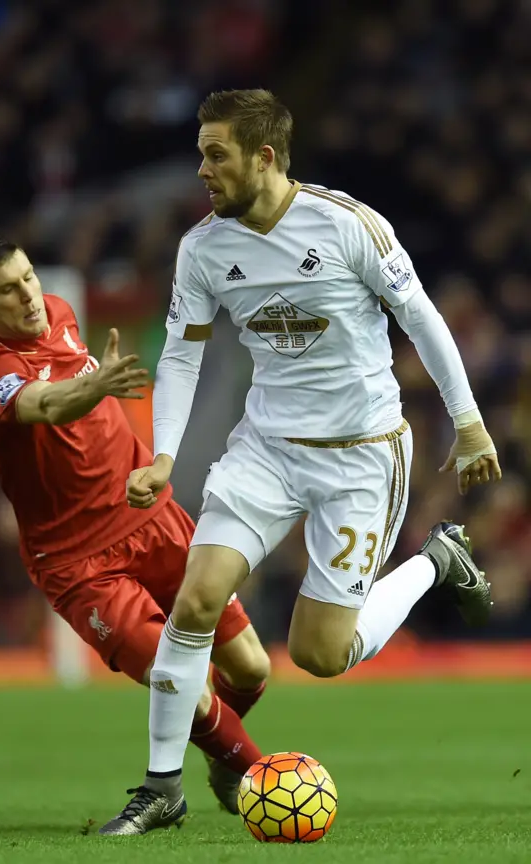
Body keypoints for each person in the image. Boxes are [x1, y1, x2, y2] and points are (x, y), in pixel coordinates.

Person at [101, 89, 503, 834]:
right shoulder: (203, 249)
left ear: (264, 157)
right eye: (200, 153)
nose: (201, 170)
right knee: (194, 601)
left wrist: (470, 423)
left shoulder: (349, 226)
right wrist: (163, 456)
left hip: (360, 458)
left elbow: (423, 319)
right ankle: (162, 786)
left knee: (321, 653)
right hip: (266, 451)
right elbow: (184, 356)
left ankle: (436, 563)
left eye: (215, 154)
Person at [0, 231, 272, 831]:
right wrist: (94, 386)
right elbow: (44, 405)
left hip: (152, 519)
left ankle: (219, 757)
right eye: (7, 290)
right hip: (81, 562)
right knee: (179, 679)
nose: (28, 297)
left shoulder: (60, 314)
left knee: (251, 668)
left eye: (28, 278)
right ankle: (270, 784)